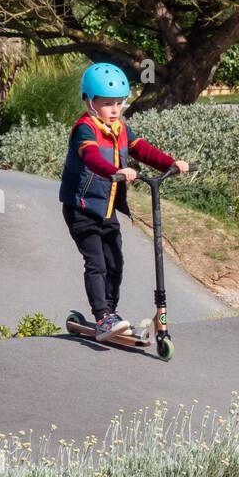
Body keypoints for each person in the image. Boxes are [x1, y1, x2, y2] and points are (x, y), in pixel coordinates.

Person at [60, 63, 189, 341]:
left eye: (119, 103)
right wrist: (114, 171)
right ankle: (103, 316)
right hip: (81, 208)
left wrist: (171, 163)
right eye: (107, 104)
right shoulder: (85, 129)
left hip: (106, 210)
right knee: (96, 262)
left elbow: (141, 149)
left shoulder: (119, 128)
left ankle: (110, 314)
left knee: (115, 262)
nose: (115, 109)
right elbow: (91, 157)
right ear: (89, 102)